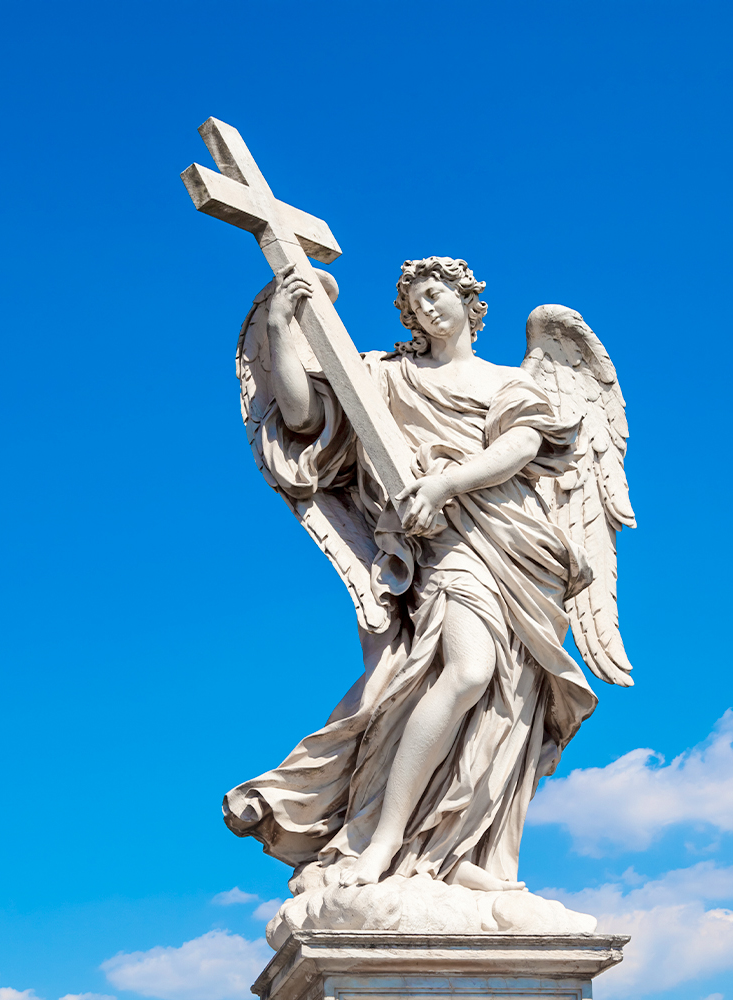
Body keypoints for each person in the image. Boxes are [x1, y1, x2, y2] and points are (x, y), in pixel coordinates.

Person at [223, 257, 598, 893]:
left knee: (508, 699)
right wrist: (284, 325)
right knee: (470, 670)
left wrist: (448, 480)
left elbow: (523, 447)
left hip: (522, 546)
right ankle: (383, 842)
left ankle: (465, 854)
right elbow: (305, 417)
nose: (426, 307)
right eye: (414, 300)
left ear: (471, 303)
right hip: (446, 545)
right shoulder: (383, 377)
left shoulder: (512, 381)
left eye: (437, 294)